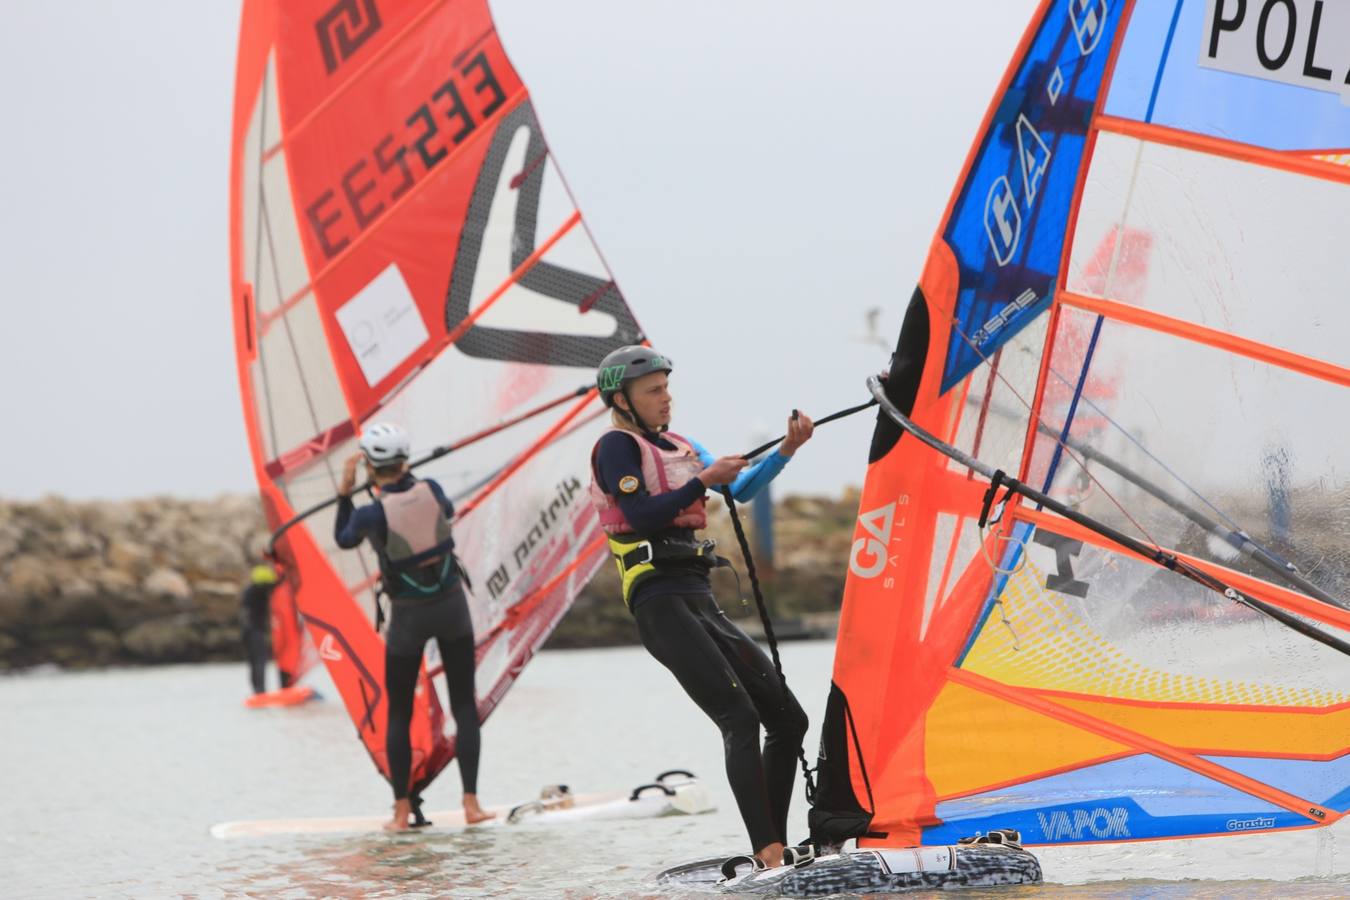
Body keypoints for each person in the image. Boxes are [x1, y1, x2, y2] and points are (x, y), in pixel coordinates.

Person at [589, 345, 815, 868]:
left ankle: (773, 853)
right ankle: (770, 857)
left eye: (667, 388)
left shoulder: (684, 445)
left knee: (787, 718)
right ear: (622, 399)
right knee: (738, 717)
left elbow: (743, 487)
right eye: (654, 391)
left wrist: (785, 450)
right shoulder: (615, 449)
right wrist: (701, 482)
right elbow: (642, 515)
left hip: (697, 596)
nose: (666, 399)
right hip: (658, 600)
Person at [334, 422, 493, 831]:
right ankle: (472, 804)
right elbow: (446, 511)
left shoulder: (370, 512)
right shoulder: (434, 490)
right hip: (452, 609)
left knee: (400, 714)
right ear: (405, 460)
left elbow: (345, 538)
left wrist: (344, 493)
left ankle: (402, 811)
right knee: (464, 707)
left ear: (370, 464)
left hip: (408, 618)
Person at [240, 564, 279, 695]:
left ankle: (257, 691)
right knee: (259, 660)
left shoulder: (250, 590)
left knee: (255, 661)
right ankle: (260, 691)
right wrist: (282, 578)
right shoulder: (256, 591)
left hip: (248, 631)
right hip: (254, 631)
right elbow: (272, 586)